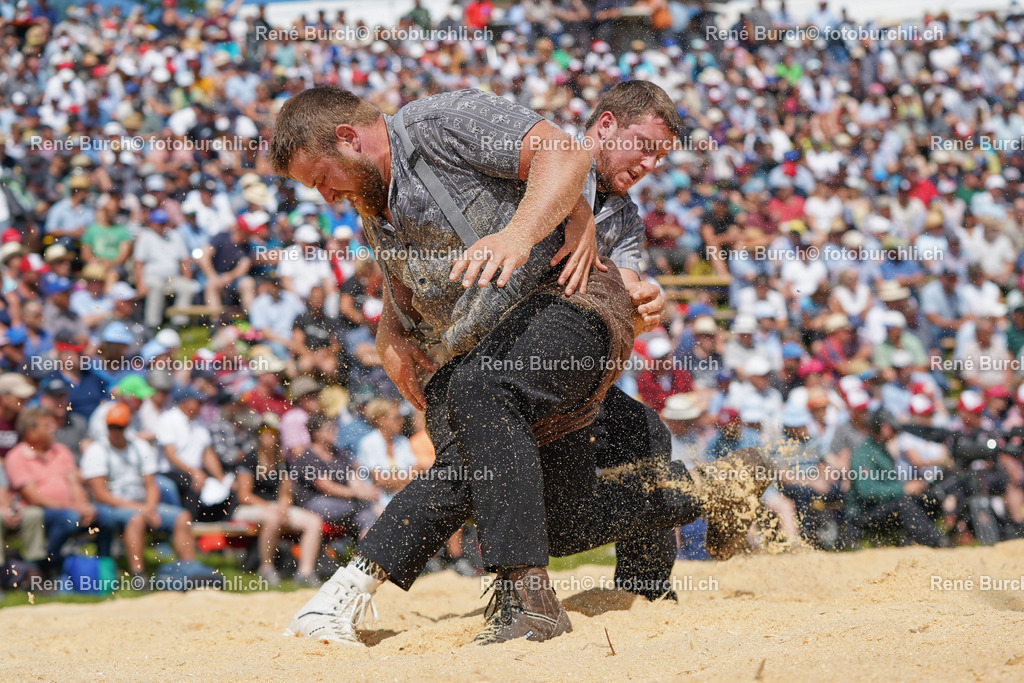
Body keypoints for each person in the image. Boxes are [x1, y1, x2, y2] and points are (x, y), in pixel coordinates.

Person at [273, 83, 772, 645]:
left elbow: (565, 157)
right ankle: (711, 489)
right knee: (554, 513)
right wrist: (392, 330)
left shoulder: (437, 122)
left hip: (563, 310)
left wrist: (526, 236)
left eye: (322, 178)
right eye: (646, 147)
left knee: (490, 394)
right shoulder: (375, 198)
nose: (325, 196)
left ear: (348, 138)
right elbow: (407, 278)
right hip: (498, 346)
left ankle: (566, 598)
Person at [80, 402, 196, 581]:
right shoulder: (96, 450)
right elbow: (100, 495)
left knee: (183, 517)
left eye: (119, 427)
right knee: (137, 519)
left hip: (141, 505)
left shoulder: (140, 447)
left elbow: (151, 485)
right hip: (110, 507)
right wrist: (142, 509)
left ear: (127, 427)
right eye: (111, 427)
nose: (115, 431)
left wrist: (149, 507)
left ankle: (190, 571)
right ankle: (138, 576)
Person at [4, 408, 112, 577]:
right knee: (69, 518)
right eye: (47, 425)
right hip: (38, 512)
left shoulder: (61, 450)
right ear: (31, 432)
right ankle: (48, 563)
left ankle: (104, 571)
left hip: (68, 509)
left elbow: (74, 482)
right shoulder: (16, 456)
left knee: (106, 517)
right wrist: (74, 508)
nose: (53, 428)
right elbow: (34, 497)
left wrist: (84, 506)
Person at [232, 413, 323, 587]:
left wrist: (282, 508)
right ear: (257, 435)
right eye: (263, 431)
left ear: (278, 435)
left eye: (271, 431)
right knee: (272, 518)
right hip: (247, 508)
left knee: (314, 522)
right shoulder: (249, 459)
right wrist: (272, 508)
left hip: (273, 508)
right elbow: (244, 496)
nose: (267, 435)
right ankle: (266, 568)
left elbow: (286, 493)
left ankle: (305, 572)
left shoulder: (282, 462)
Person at [847, 409, 947, 548]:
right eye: (893, 428)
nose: (896, 432)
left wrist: (910, 487)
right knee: (902, 504)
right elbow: (866, 491)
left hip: (884, 506)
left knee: (927, 497)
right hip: (864, 514)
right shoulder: (863, 454)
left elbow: (889, 483)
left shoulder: (880, 450)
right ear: (883, 428)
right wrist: (903, 489)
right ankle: (938, 543)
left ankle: (921, 540)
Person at [291, 412, 380, 538]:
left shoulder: (339, 453)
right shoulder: (308, 457)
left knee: (368, 517)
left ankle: (368, 550)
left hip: (344, 501)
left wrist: (366, 491)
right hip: (316, 502)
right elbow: (327, 487)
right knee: (364, 506)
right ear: (316, 434)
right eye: (329, 428)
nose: (335, 431)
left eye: (334, 427)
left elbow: (353, 479)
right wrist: (359, 494)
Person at [355, 399, 418, 506]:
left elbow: (415, 474)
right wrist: (406, 481)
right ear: (380, 420)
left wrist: (393, 482)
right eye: (396, 418)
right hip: (378, 503)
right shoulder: (368, 443)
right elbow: (380, 481)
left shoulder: (403, 441)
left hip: (405, 498)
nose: (401, 421)